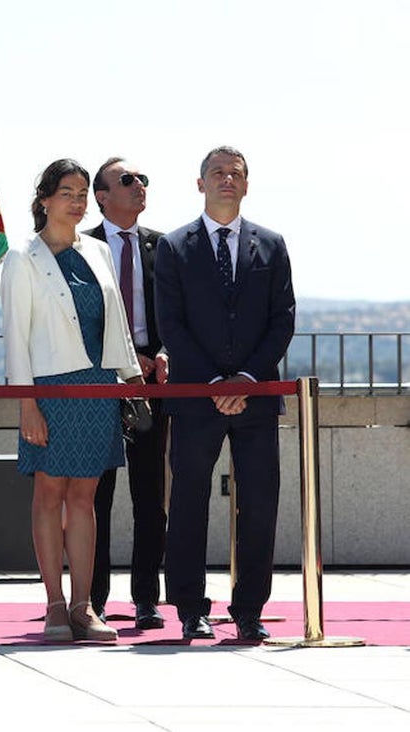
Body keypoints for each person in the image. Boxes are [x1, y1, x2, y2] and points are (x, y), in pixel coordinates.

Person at [155, 146, 295, 642]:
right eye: (217, 172)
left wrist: (246, 380)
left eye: (236, 173)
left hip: (256, 396)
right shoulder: (173, 248)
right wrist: (214, 382)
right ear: (200, 184)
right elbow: (170, 322)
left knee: (259, 504)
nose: (227, 180)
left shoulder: (272, 245)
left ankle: (250, 608)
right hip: (196, 396)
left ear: (247, 184)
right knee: (189, 503)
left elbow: (283, 320)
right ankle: (190, 607)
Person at [2, 159, 144, 642]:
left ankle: (84, 607)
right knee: (49, 494)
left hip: (98, 387)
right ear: (44, 199)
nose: (78, 201)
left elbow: (118, 323)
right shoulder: (22, 257)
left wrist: (129, 379)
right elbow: (15, 338)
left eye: (84, 192)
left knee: (85, 498)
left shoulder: (100, 251)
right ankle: (55, 606)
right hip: (48, 389)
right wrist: (27, 404)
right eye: (68, 192)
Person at [84, 158, 169, 630]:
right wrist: (114, 363)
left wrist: (163, 352)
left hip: (150, 381)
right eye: (128, 181)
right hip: (97, 380)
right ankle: (91, 598)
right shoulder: (81, 246)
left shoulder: (165, 247)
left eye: (143, 180)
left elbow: (177, 312)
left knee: (149, 494)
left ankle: (146, 599)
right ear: (101, 196)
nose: (140, 187)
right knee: (95, 496)